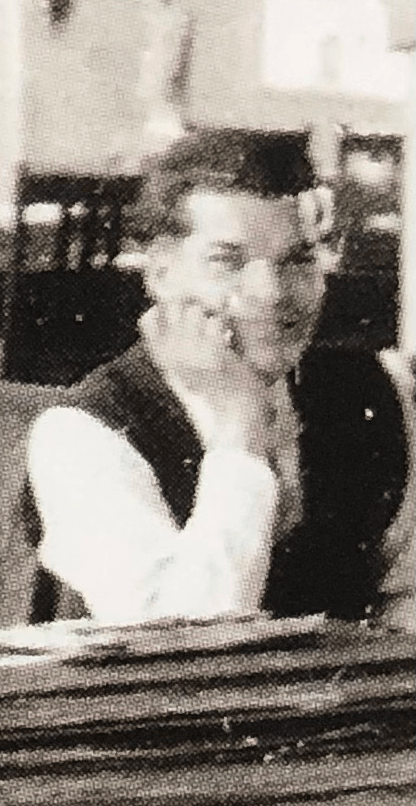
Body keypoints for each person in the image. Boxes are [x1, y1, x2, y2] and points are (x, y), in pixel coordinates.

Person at [26, 129, 415, 628]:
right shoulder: (81, 433)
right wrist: (239, 434)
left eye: (297, 260)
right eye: (227, 261)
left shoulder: (375, 392)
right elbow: (184, 641)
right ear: (160, 272)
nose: (271, 293)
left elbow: (405, 597)